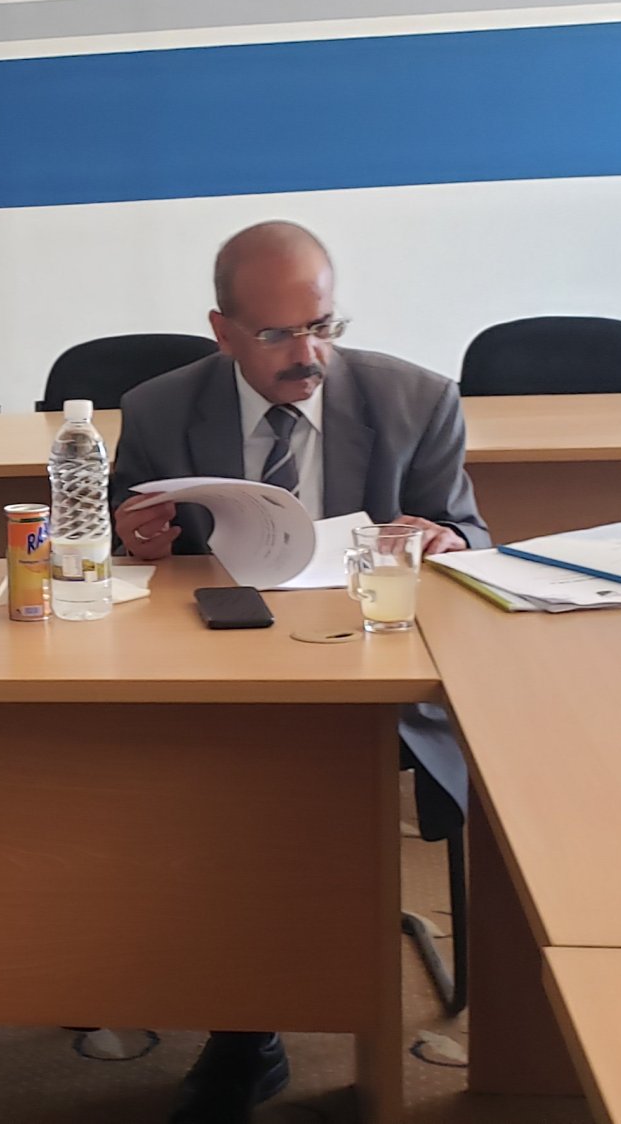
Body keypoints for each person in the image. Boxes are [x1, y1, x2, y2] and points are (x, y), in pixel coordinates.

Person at [110, 221, 487, 1124]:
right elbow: (124, 535)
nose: (307, 354)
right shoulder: (160, 408)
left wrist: (444, 540)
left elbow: (471, 536)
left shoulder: (417, 399)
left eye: (323, 326)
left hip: (369, 668)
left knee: (276, 786)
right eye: (278, 334)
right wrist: (134, 539)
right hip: (217, 667)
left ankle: (253, 1026)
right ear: (223, 331)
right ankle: (246, 1021)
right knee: (218, 776)